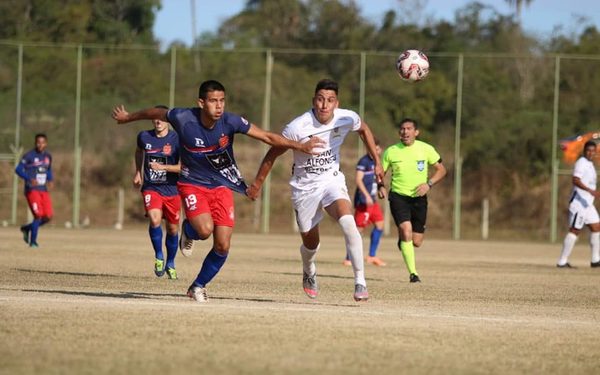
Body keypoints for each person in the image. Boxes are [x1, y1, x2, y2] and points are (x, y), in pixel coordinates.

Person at [112, 79, 323, 302]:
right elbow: (156, 111)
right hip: (191, 182)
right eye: (213, 101)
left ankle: (197, 286)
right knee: (204, 230)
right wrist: (129, 117)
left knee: (223, 244)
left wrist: (300, 146)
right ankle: (190, 230)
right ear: (201, 102)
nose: (219, 106)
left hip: (221, 185)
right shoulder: (184, 118)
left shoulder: (230, 121)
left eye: (222, 100)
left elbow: (267, 137)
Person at [247, 79, 383, 302]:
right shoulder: (297, 127)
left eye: (330, 100)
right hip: (304, 188)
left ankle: (360, 281)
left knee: (349, 223)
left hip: (331, 181)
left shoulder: (346, 117)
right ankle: (309, 269)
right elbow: (273, 153)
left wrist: (376, 161)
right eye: (320, 99)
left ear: (336, 103)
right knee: (311, 243)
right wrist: (257, 184)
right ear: (313, 100)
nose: (324, 105)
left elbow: (364, 129)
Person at [378, 118, 446, 283]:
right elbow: (380, 172)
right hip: (398, 197)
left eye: (409, 129)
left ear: (416, 132)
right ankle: (413, 274)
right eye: (402, 129)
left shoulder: (426, 149)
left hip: (419, 198)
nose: (405, 132)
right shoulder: (391, 151)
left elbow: (441, 170)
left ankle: (403, 240)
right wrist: (380, 185)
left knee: (416, 242)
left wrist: (429, 184)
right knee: (406, 229)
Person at [133, 105, 181, 279]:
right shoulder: (144, 137)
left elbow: (185, 167)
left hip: (172, 190)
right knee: (154, 220)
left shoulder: (178, 138)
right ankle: (159, 255)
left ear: (168, 120)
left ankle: (171, 262)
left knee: (173, 229)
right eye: (154, 118)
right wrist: (138, 171)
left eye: (161, 118)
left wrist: (164, 167)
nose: (157, 121)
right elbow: (139, 152)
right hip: (151, 188)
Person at [557, 140, 600, 268]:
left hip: (588, 203)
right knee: (575, 230)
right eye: (588, 150)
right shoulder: (581, 162)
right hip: (579, 203)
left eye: (593, 151)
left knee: (596, 227)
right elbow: (575, 180)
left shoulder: (590, 164)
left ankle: (595, 260)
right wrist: (590, 191)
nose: (590, 153)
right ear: (584, 151)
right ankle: (562, 261)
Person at [343, 138, 386, 267]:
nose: (375, 150)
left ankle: (371, 256)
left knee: (380, 225)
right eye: (373, 148)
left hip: (373, 201)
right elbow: (358, 180)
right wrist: (366, 195)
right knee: (358, 229)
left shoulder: (378, 162)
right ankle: (348, 258)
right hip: (364, 201)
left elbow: (377, 179)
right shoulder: (364, 161)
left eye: (377, 148)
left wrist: (380, 189)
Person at [15, 133, 54, 248]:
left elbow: (48, 170)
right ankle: (33, 242)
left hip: (43, 190)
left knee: (48, 217)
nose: (40, 145)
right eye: (38, 142)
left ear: (46, 143)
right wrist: (28, 179)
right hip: (32, 190)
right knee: (38, 215)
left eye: (42, 142)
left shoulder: (48, 157)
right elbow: (18, 169)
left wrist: (50, 179)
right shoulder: (29, 156)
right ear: (35, 143)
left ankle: (26, 228)